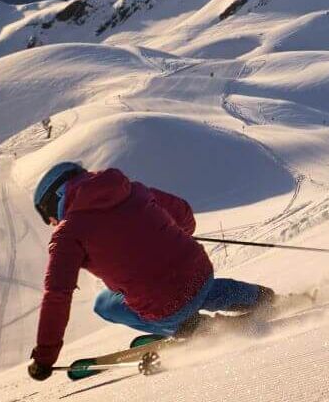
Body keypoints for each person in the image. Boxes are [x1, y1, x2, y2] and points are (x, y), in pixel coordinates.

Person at [24, 162, 275, 381]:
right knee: (196, 285)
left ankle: (194, 328)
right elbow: (185, 215)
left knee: (104, 305)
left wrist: (45, 357)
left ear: (56, 199)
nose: (53, 224)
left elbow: (57, 294)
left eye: (50, 219)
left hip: (165, 306)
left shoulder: (68, 233)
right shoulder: (132, 189)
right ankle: (258, 296)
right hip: (200, 273)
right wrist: (162, 237)